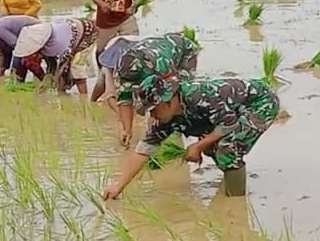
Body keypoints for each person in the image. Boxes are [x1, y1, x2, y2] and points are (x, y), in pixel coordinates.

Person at [101, 76, 279, 200]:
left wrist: (197, 146)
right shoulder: (166, 119)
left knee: (228, 148)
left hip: (260, 102)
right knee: (212, 146)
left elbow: (228, 124)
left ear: (168, 101)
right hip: (231, 112)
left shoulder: (198, 97)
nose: (152, 115)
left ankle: (235, 201)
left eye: (153, 109)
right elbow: (143, 151)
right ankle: (232, 178)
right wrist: (117, 187)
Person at [94, 33, 201, 146]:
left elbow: (168, 94)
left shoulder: (160, 65)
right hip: (152, 49)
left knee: (181, 94)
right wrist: (127, 130)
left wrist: (157, 122)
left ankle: (178, 131)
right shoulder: (122, 70)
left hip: (183, 51)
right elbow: (124, 100)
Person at [11, 17, 99, 92]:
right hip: (71, 29)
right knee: (60, 73)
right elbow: (51, 65)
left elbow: (63, 62)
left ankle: (84, 98)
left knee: (76, 66)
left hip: (87, 32)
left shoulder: (57, 44)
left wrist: (52, 81)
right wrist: (47, 80)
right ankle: (62, 93)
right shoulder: (44, 44)